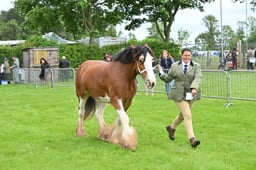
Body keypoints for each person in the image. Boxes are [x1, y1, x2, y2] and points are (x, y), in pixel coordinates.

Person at [157, 48, 202, 148]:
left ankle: (171, 128)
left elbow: (198, 78)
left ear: (191, 56)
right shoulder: (175, 66)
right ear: (181, 56)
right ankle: (192, 139)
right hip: (178, 94)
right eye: (185, 55)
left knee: (182, 116)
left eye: (189, 56)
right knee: (187, 115)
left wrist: (194, 87)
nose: (187, 57)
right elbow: (168, 79)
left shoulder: (196, 66)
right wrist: (161, 72)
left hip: (191, 93)